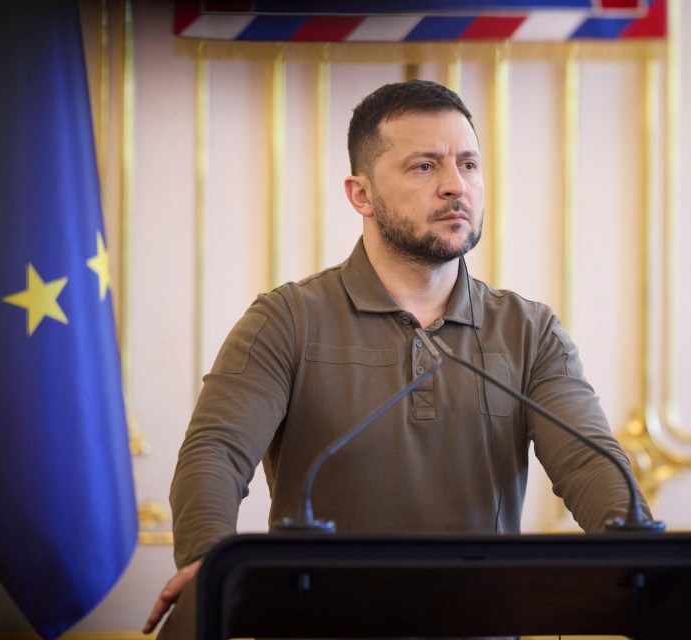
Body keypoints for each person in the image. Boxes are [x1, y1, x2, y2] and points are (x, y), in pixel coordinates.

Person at [143, 79, 652, 637]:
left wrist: (639, 550)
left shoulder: (530, 331)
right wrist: (207, 559)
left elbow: (587, 464)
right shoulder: (285, 319)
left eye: (469, 165)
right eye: (424, 167)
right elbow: (216, 453)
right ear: (360, 195)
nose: (455, 187)